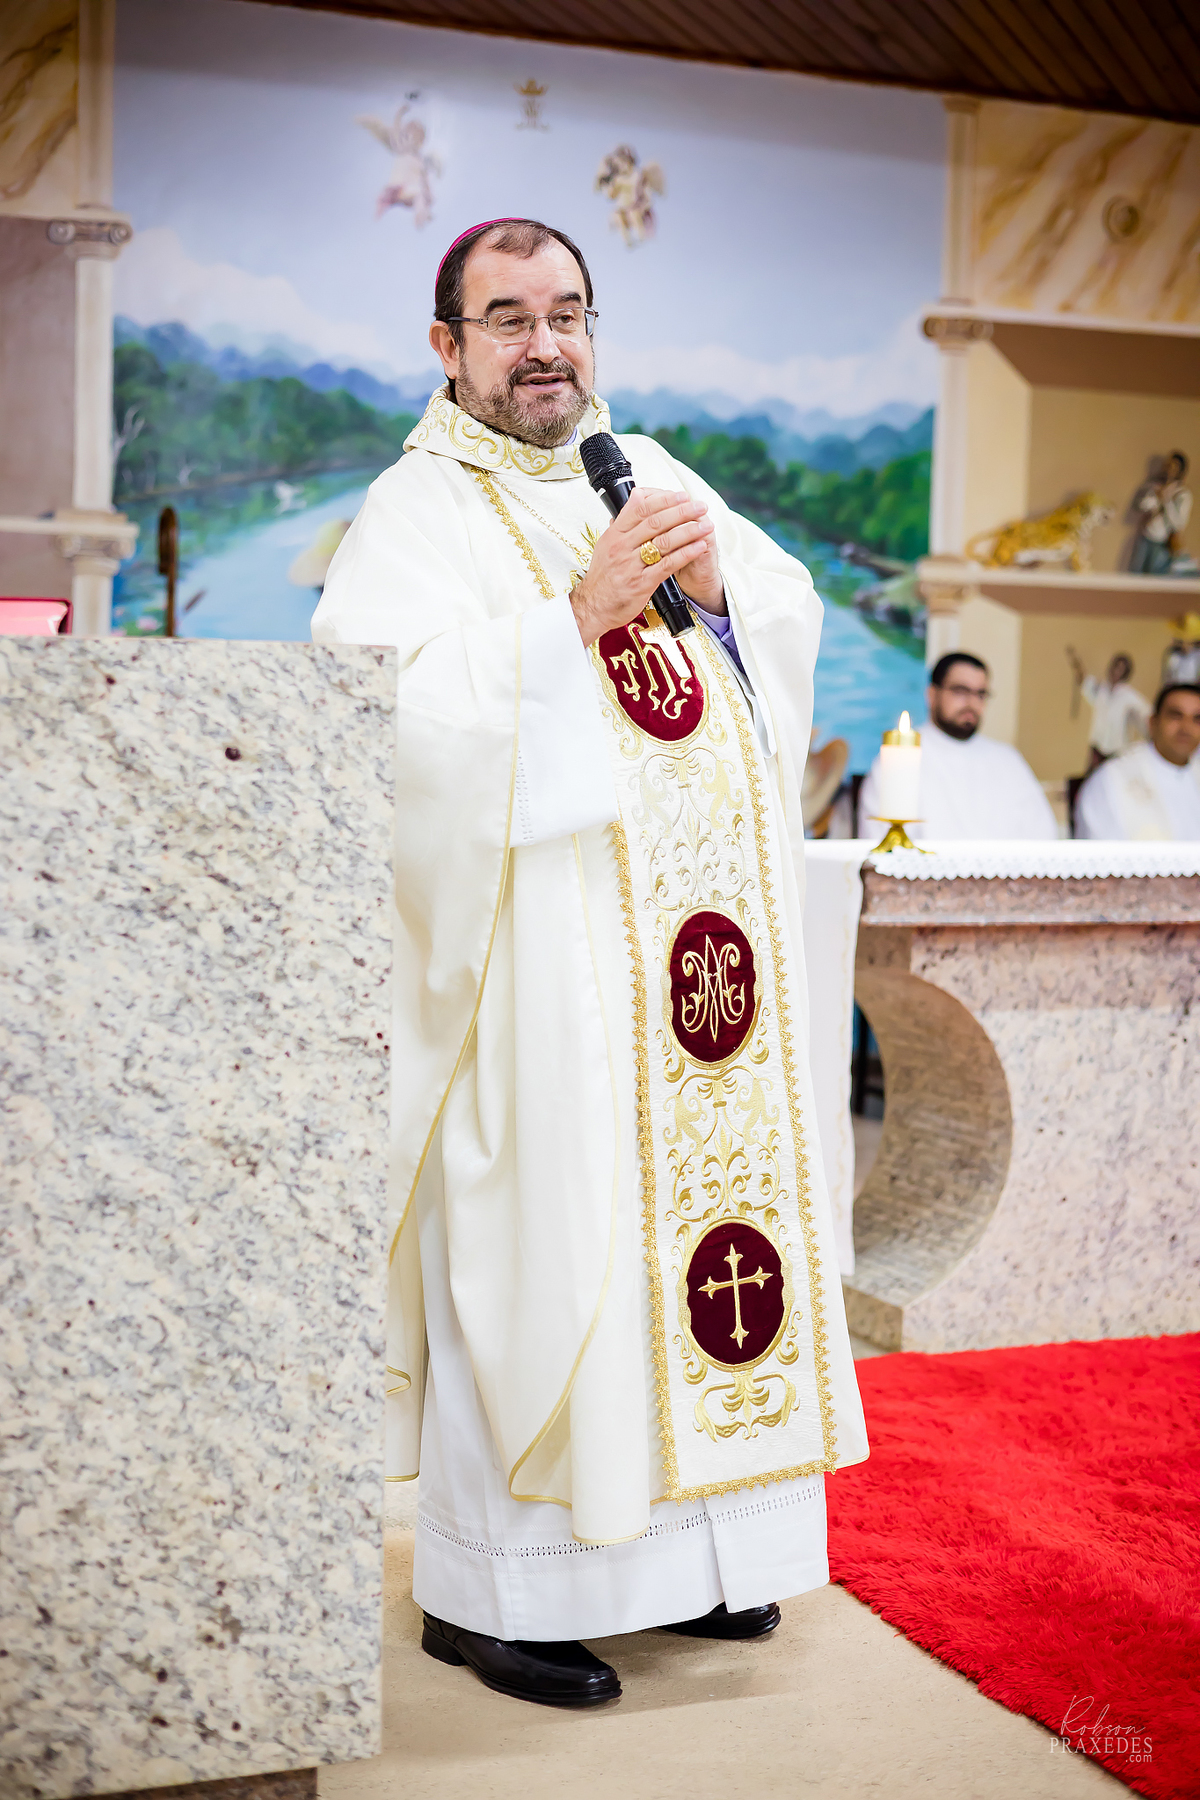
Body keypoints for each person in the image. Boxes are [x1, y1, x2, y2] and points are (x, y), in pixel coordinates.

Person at [311, 218, 867, 1708]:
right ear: (449, 347)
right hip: (539, 991)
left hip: (697, 994)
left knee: (678, 1269)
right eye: (507, 318)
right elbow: (388, 723)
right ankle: (495, 1595)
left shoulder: (646, 468)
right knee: (549, 1262)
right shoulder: (410, 513)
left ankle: (681, 1568)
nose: (545, 344)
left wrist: (735, 598)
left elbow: (784, 614)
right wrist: (572, 623)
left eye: (568, 313)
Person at [858, 652, 1057, 840]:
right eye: (960, 691)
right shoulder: (900, 758)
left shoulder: (1008, 760)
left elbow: (1044, 835)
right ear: (932, 695)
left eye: (980, 694)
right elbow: (879, 842)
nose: (971, 703)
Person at [1075, 684, 1200, 840]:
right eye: (1176, 715)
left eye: (1197, 719)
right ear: (1152, 722)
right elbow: (1100, 856)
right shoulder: (1112, 779)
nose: (1186, 728)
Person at [1065, 647, 1151, 768]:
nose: (1116, 672)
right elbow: (1084, 682)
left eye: (1121, 669)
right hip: (1098, 746)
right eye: (1115, 667)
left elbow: (1146, 715)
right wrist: (1075, 662)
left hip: (1117, 751)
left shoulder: (1129, 696)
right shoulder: (1101, 689)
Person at [1130, 452, 1192, 576]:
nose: (1169, 470)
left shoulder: (1183, 494)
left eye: (1174, 467)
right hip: (1145, 537)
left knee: (1155, 576)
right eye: (1168, 466)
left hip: (1162, 542)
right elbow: (1141, 506)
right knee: (1135, 574)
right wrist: (1153, 496)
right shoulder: (1155, 485)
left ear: (1180, 471)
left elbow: (1178, 523)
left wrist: (1166, 501)